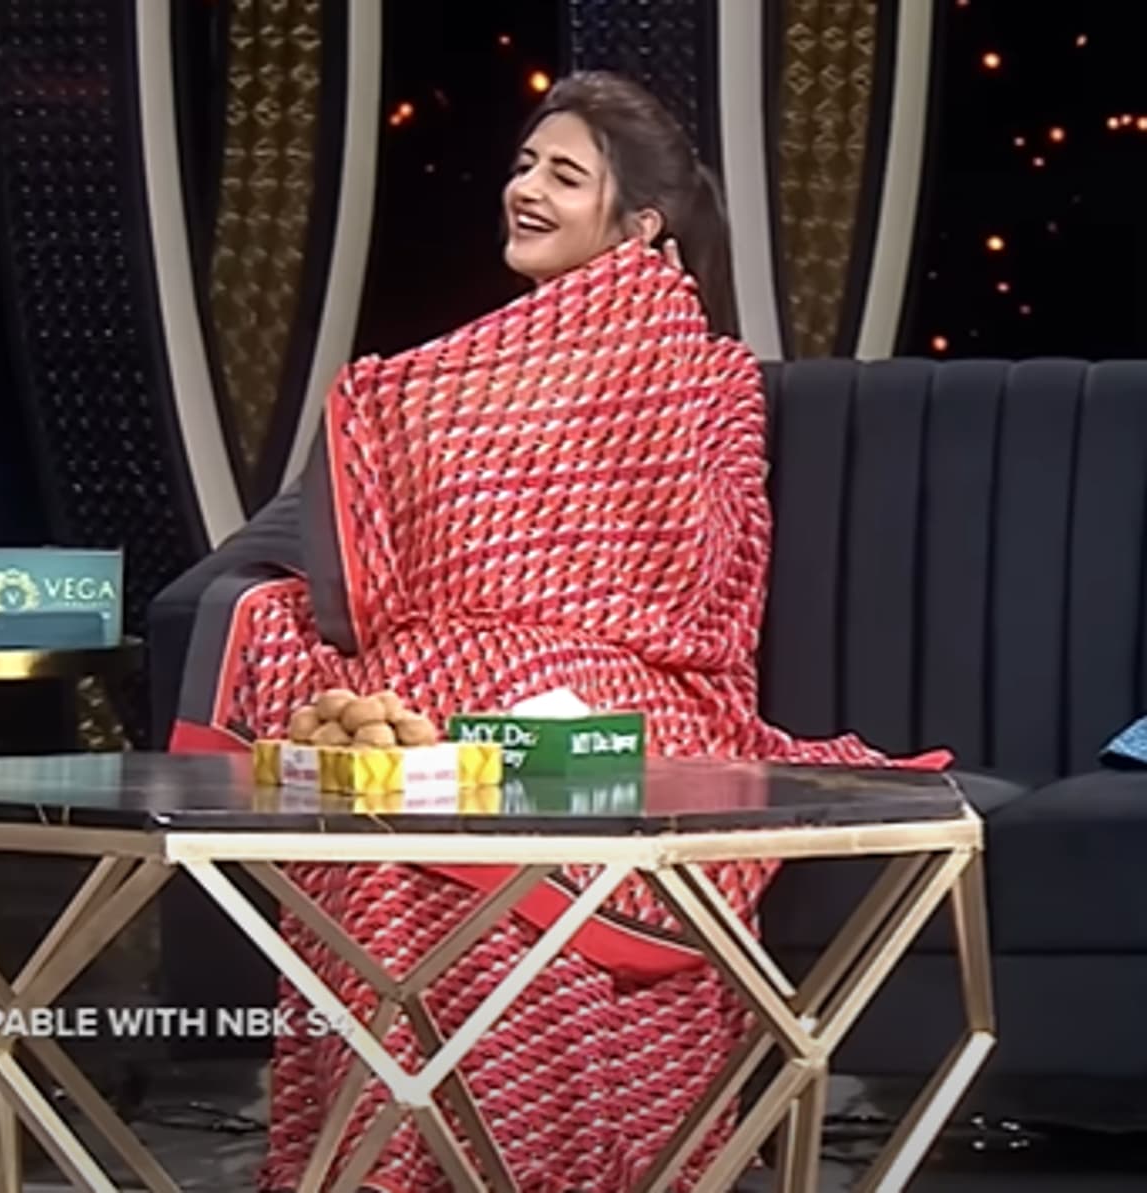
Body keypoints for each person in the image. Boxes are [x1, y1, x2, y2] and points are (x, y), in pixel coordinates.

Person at [171, 71, 949, 1192]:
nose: (525, 188)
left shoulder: (702, 377)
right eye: (524, 164)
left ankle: (537, 1161)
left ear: (639, 226)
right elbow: (369, 554)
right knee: (384, 845)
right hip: (430, 698)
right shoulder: (443, 374)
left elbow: (700, 589)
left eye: (564, 175)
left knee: (497, 860)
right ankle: (394, 1166)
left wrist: (546, 627)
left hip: (613, 696)